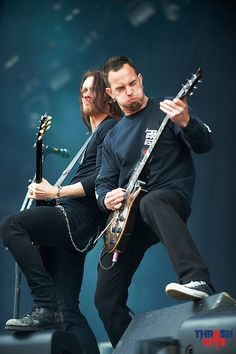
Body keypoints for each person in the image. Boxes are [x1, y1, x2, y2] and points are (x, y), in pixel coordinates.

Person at [94, 56, 215, 348]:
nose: (129, 91)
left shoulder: (166, 110)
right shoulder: (112, 137)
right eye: (120, 88)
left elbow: (204, 144)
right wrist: (105, 198)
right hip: (129, 217)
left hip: (169, 197)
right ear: (110, 93)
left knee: (153, 201)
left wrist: (185, 122)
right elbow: (102, 182)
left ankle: (197, 280)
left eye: (132, 83)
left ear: (141, 79)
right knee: (105, 298)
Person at [0, 70, 121, 354]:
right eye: (83, 89)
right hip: (76, 225)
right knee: (68, 312)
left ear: (107, 95)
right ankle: (53, 310)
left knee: (11, 226)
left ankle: (43, 304)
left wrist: (54, 193)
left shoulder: (110, 128)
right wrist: (49, 198)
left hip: (77, 219)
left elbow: (102, 180)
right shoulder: (94, 136)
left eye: (93, 89)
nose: (85, 93)